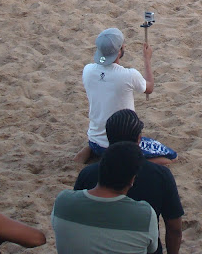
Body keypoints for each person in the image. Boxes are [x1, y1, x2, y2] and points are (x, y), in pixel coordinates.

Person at [75, 109, 184, 254]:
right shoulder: (161, 175)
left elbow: (77, 220)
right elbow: (174, 229)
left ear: (108, 138)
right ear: (139, 139)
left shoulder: (87, 174)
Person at [53, 141, 159, 254]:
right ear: (132, 180)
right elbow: (152, 249)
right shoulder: (145, 215)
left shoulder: (63, 202)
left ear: (100, 169)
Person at [74, 27, 155, 163]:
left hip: (95, 139)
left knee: (98, 140)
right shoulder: (128, 75)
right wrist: (147, 59)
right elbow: (149, 87)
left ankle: (92, 149)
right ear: (119, 52)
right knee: (170, 156)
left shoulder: (87, 70)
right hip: (120, 144)